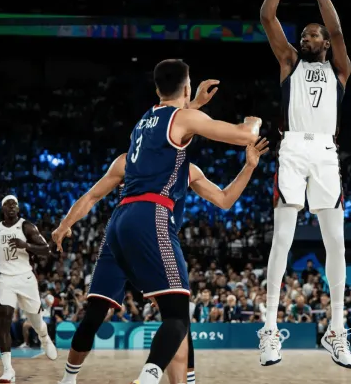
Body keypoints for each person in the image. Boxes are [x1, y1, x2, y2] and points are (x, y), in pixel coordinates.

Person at [51, 82, 268, 384]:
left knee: (113, 313)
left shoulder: (171, 166)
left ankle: (70, 379)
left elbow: (224, 199)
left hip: (124, 232)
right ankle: (144, 377)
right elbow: (92, 196)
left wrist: (249, 166)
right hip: (149, 229)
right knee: (173, 314)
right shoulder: (138, 162)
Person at [258, 0, 351, 368]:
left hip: (327, 152)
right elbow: (267, 17)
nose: (306, 38)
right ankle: (269, 329)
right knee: (283, 238)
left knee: (337, 243)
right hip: (293, 148)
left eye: (313, 34)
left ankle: (337, 330)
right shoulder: (290, 63)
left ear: (325, 44)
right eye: (305, 35)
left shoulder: (340, 69)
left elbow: (338, 29)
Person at [0, 195, 58, 383]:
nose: (12, 207)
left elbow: (46, 250)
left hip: (26, 278)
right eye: (8, 204)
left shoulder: (26, 227)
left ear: (18, 208)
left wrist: (26, 245)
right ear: (3, 208)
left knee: (36, 320)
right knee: (4, 319)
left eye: (14, 204)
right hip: (5, 279)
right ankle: (8, 369)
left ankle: (44, 337)